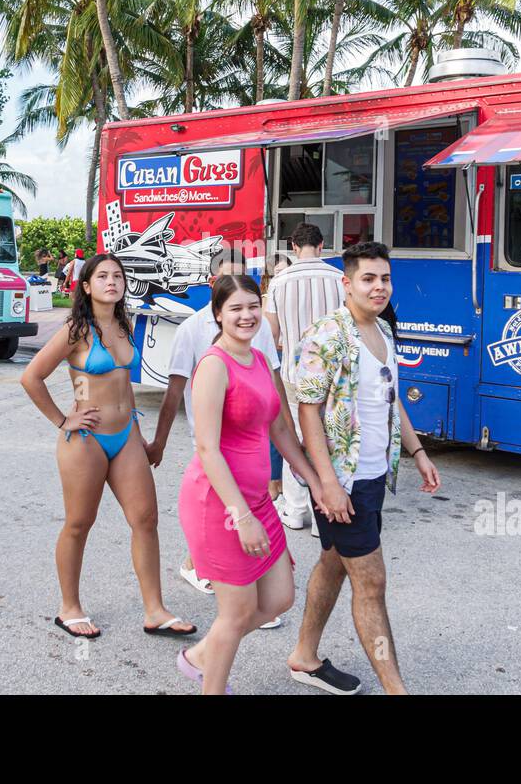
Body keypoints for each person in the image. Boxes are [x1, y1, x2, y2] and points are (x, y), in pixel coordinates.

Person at [287, 241, 442, 695]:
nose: (379, 287)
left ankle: (304, 656)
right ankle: (397, 689)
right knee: (371, 582)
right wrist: (328, 485)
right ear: (347, 284)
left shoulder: (384, 332)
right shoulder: (327, 336)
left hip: (373, 475)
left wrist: (418, 452)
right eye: (368, 279)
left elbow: (391, 401)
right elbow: (307, 410)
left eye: (385, 278)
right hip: (343, 481)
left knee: (334, 563)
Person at [20, 252, 195, 640]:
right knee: (79, 524)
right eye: (102, 277)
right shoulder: (74, 330)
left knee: (146, 520)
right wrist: (63, 420)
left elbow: (122, 385)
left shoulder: (123, 324)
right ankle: (69, 608)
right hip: (86, 440)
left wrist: (145, 438)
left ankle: (155, 610)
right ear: (86, 286)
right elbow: (31, 377)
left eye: (117, 276)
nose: (112, 282)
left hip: (127, 435)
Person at [174, 274, 330, 694]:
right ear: (218, 314)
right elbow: (207, 448)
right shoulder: (213, 365)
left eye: (252, 306)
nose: (246, 315)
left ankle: (201, 655)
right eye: (235, 308)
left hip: (258, 499)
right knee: (238, 612)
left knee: (278, 598)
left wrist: (313, 480)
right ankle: (212, 684)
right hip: (219, 503)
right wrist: (240, 515)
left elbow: (281, 427)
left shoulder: (259, 360)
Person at [148, 251, 285, 617]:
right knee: (227, 516)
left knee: (245, 520)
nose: (242, 304)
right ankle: (218, 585)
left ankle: (215, 575)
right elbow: (174, 390)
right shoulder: (192, 329)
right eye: (228, 282)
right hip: (214, 446)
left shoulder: (258, 330)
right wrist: (158, 443)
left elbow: (274, 379)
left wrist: (293, 444)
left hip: (253, 443)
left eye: (246, 284)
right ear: (214, 290)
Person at [264, 223, 346, 532]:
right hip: (333, 375)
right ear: (321, 245)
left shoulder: (279, 282)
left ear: (294, 248)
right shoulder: (339, 279)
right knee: (330, 439)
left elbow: (271, 334)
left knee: (296, 437)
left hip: (293, 374)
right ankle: (324, 512)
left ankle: (297, 509)